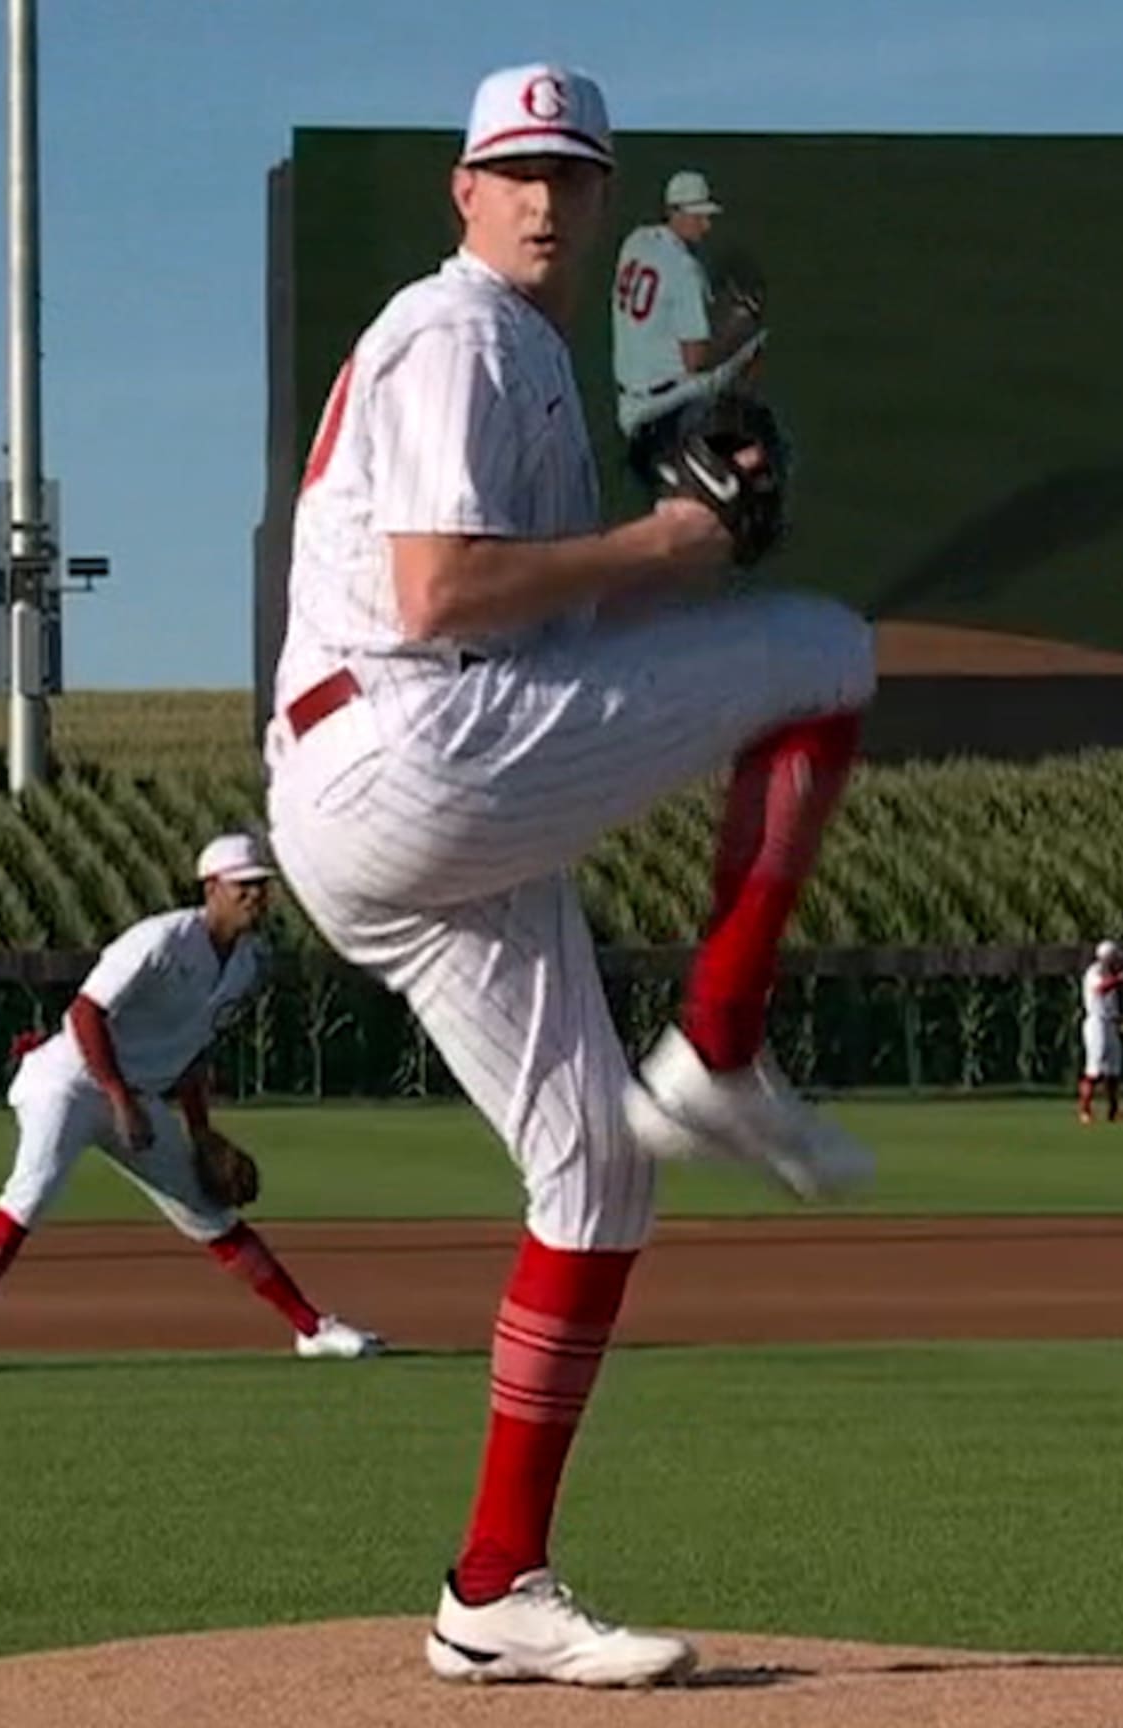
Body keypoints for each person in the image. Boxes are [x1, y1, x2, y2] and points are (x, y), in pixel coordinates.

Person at [262, 61, 878, 1689]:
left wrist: (672, 551)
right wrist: (675, 549)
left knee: (596, 1173)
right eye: (513, 168)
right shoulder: (457, 331)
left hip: (398, 790)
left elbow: (537, 613)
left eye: (572, 172)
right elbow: (437, 588)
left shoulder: (523, 351)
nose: (542, 195)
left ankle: (491, 1587)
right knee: (824, 651)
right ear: (461, 191)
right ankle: (726, 1051)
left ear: (601, 204)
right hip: (410, 747)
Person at [0, 832, 384, 1379]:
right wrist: (119, 1099)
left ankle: (311, 1329)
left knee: (209, 1213)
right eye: (244, 887)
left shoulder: (247, 964)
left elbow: (191, 1050)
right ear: (211, 888)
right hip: (68, 1079)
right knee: (30, 1194)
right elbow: (87, 1013)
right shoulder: (160, 940)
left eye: (262, 887)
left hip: (133, 1093)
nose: (256, 897)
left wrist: (201, 1131)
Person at [609, 168, 766, 490]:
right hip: (668, 406)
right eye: (698, 217)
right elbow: (695, 360)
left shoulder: (636, 241)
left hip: (627, 402)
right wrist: (738, 324)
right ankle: (737, 453)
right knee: (756, 345)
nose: (706, 226)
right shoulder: (685, 271)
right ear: (674, 213)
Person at [1079, 938, 1123, 1124]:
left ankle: (1113, 1111)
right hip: (1096, 1023)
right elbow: (1100, 989)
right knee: (1094, 1069)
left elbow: (1112, 1004)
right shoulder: (1094, 972)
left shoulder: (1110, 973)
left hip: (1110, 1023)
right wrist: (1119, 980)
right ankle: (1085, 1110)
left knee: (1114, 1070)